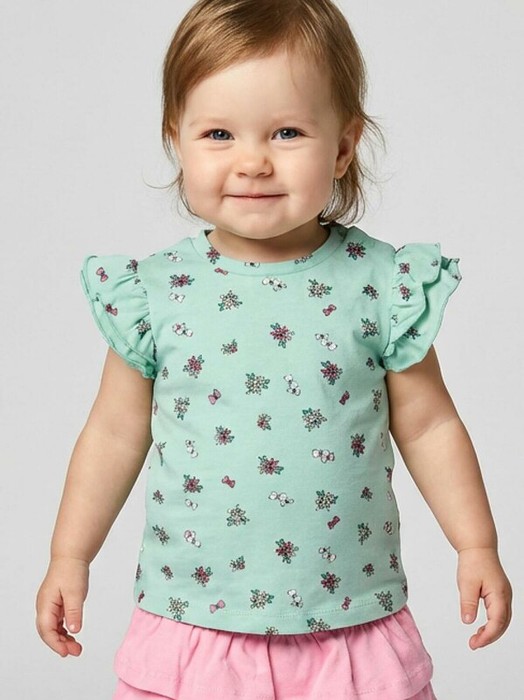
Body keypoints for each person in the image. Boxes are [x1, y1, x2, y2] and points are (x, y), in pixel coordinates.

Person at [35, 1, 512, 698]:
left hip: (347, 622)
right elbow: (112, 433)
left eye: (287, 132)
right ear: (177, 141)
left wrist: (476, 544)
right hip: (196, 622)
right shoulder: (155, 295)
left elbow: (430, 426)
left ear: (343, 147)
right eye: (218, 134)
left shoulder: (382, 288)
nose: (253, 162)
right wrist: (69, 555)